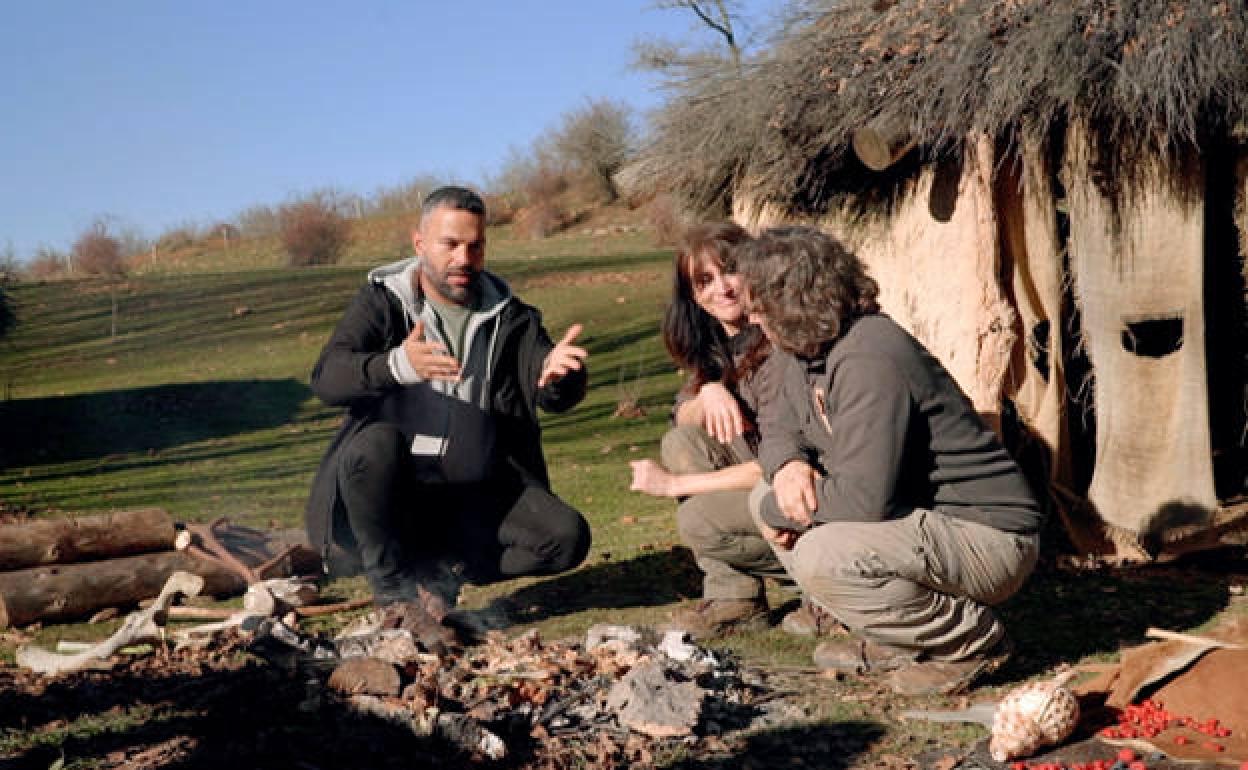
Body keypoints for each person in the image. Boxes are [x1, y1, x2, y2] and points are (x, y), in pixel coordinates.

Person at [737, 226, 1043, 696]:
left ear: (792, 300)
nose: (752, 316)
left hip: (987, 535)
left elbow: (862, 501)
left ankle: (970, 642)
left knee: (821, 550)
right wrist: (787, 467)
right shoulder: (801, 350)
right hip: (915, 518)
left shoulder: (870, 356)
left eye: (760, 304)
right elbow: (776, 422)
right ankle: (901, 638)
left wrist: (775, 512)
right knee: (768, 490)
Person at [304, 186, 592, 635]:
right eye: (450, 244)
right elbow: (327, 378)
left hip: (472, 493)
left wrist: (561, 378)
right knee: (372, 446)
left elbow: (549, 391)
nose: (463, 258)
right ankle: (395, 595)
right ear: (419, 244)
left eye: (474, 245)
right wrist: (397, 365)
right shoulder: (382, 302)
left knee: (566, 539)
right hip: (393, 490)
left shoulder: (512, 317)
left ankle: (444, 573)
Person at [628, 222, 805, 639]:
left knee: (697, 518)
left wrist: (676, 484)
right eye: (704, 280)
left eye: (730, 271)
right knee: (682, 440)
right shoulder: (716, 348)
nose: (721, 288)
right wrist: (708, 392)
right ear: (693, 294)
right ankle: (735, 597)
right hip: (766, 489)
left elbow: (780, 463)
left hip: (801, 492)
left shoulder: (780, 344)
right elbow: (681, 415)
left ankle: (822, 584)